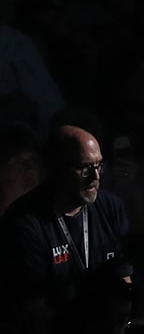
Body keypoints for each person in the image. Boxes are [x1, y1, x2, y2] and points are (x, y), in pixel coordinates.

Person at [1, 124, 128, 300]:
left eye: (99, 165)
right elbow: (33, 306)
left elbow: (123, 274)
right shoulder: (24, 223)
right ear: (56, 170)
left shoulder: (111, 207)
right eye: (85, 169)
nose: (96, 177)